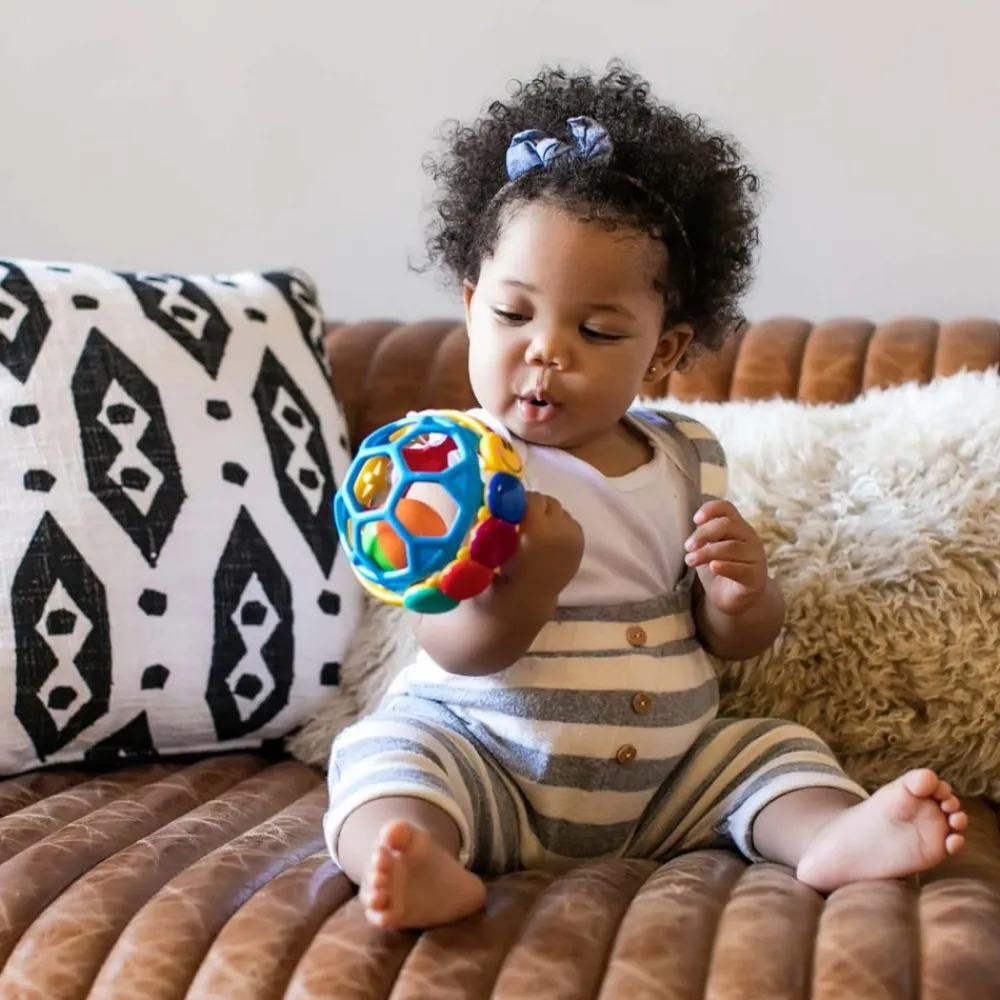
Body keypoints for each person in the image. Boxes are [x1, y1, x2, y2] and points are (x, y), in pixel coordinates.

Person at [326, 62, 967, 930]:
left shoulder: (688, 457)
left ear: (664, 353)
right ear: (472, 307)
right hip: (487, 758)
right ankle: (416, 858)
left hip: (666, 779)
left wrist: (743, 594)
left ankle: (829, 835)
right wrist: (530, 585)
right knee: (384, 762)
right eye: (514, 316)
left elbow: (728, 640)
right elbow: (452, 648)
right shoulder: (452, 462)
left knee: (771, 751)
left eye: (596, 331)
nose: (546, 352)